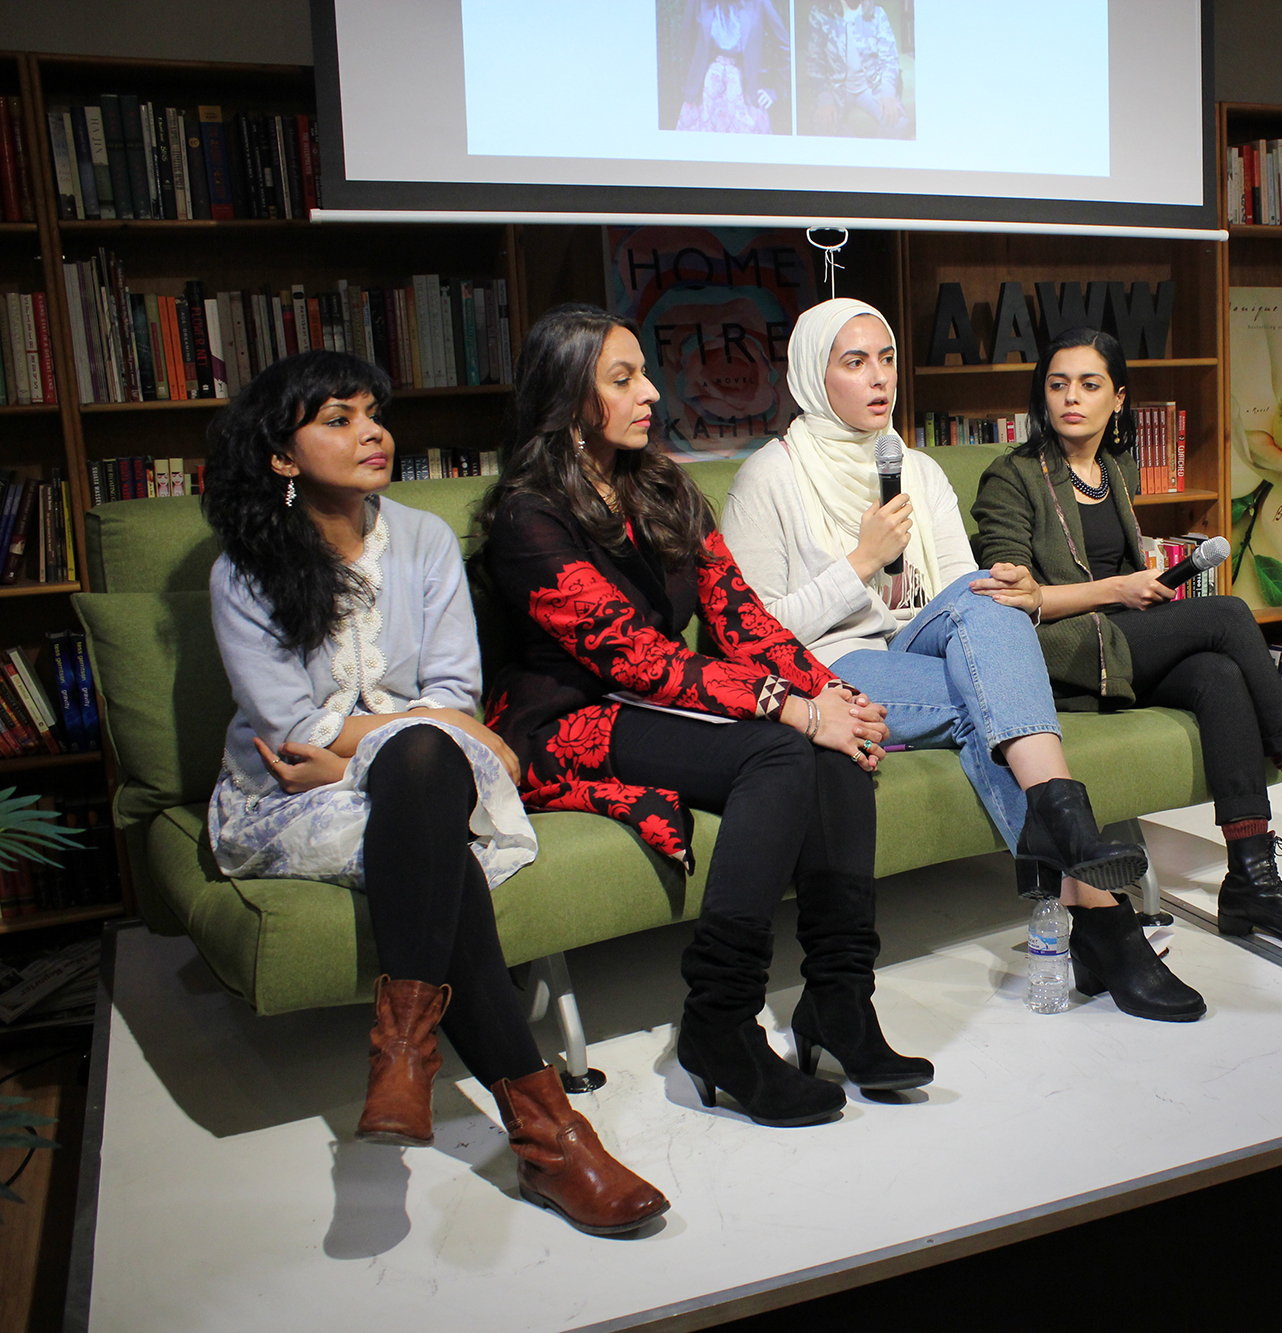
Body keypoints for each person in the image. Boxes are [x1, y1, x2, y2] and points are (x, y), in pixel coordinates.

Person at [202, 350, 666, 1237]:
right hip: (290, 798)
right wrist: (416, 746)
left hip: (386, 773)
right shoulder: (246, 571)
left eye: (374, 412)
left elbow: (452, 692)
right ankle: (554, 1139)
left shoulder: (420, 537)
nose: (371, 431)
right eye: (337, 419)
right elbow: (290, 729)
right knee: (426, 794)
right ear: (281, 456)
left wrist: (392, 747)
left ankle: (406, 1057)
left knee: (422, 757)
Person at [479, 304, 927, 1130]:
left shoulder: (661, 485)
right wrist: (788, 706)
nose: (651, 391)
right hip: (566, 723)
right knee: (781, 750)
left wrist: (827, 694)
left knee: (829, 747)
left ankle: (841, 1003)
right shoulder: (527, 516)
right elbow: (630, 657)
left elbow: (739, 617)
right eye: (623, 379)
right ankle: (720, 1021)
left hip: (654, 703)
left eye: (645, 371)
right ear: (570, 399)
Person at [720, 298, 1202, 1023]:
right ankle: (1100, 913)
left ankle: (1063, 836)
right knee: (994, 703)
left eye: (886, 358)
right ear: (812, 378)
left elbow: (958, 594)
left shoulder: (915, 467)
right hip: (829, 665)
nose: (880, 378)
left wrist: (1003, 591)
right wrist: (861, 562)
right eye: (855, 363)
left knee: (989, 596)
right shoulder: (770, 478)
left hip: (919, 641)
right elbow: (752, 636)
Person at [970, 328, 1282, 953]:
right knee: (1229, 614)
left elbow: (1117, 578)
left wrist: (1137, 586)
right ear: (1042, 396)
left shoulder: (1114, 470)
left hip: (1117, 643)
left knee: (1222, 673)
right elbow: (1007, 601)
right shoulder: (1012, 476)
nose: (1071, 398)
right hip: (1056, 657)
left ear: (1119, 399)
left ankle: (1252, 881)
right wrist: (1119, 589)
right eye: (1057, 384)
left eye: (1089, 384)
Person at [671, 0, 790, 135]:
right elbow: (686, 46)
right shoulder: (698, 2)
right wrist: (690, 85)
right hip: (706, 94)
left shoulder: (759, 2)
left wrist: (775, 90)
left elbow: (784, 46)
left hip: (745, 91)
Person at [801, 0, 911, 138]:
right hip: (836, 87)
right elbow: (814, 60)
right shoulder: (819, 13)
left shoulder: (877, 13)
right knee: (823, 124)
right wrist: (824, 98)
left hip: (871, 86)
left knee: (899, 120)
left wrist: (888, 93)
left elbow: (889, 57)